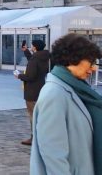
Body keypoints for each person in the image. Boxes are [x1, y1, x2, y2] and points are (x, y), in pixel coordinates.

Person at [30, 33, 102, 174]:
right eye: (90, 61)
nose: (94, 68)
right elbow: (53, 155)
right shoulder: (54, 94)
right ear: (73, 59)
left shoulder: (77, 89)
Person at [15, 40, 50, 146]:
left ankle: (34, 138)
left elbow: (30, 76)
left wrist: (19, 76)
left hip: (31, 91)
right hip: (41, 89)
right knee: (40, 114)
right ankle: (42, 136)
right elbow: (33, 61)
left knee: (33, 116)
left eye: (32, 46)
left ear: (34, 47)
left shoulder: (35, 59)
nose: (31, 47)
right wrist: (26, 51)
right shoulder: (44, 57)